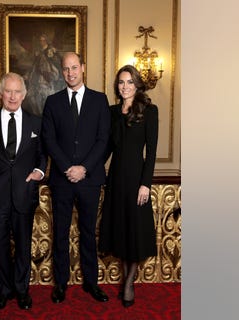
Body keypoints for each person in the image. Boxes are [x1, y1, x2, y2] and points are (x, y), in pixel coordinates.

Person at [41, 52, 111, 304]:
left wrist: (84, 168)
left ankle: (91, 283)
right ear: (61, 72)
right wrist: (66, 167)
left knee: (88, 232)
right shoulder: (53, 102)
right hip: (62, 180)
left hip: (90, 179)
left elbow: (104, 140)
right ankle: (60, 284)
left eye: (74, 67)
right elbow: (48, 139)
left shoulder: (99, 100)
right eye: (65, 69)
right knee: (60, 232)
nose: (70, 73)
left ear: (83, 67)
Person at [0, 72, 47, 311]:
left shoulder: (35, 122)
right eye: (8, 91)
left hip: (23, 193)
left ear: (24, 94)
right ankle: (3, 291)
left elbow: (42, 154)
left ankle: (21, 290)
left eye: (17, 91)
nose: (12, 96)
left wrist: (39, 171)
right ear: (1, 94)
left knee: (23, 245)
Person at [99, 65, 159, 308]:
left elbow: (152, 152)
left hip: (136, 180)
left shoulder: (149, 111)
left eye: (129, 82)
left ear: (137, 84)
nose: (125, 87)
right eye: (121, 82)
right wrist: (87, 168)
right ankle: (126, 279)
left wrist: (145, 184)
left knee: (134, 230)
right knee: (121, 230)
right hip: (116, 178)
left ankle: (129, 283)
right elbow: (106, 148)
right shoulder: (112, 112)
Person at [23, 33, 64, 116]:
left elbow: (57, 61)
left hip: (48, 72)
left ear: (47, 41)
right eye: (40, 41)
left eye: (43, 40)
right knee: (34, 95)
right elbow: (34, 65)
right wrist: (28, 74)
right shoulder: (38, 52)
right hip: (38, 73)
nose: (42, 42)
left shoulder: (51, 50)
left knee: (47, 93)